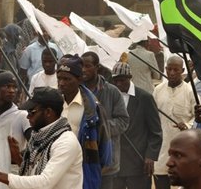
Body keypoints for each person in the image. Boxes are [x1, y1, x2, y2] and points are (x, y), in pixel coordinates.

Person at [0, 86, 83, 189]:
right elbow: (33, 173)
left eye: (32, 112)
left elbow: (45, 182)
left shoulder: (66, 142)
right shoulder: (39, 137)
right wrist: (18, 158)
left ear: (48, 112)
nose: (28, 116)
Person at [57, 54, 112, 189]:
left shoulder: (93, 109)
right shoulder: (52, 104)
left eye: (67, 79)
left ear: (79, 79)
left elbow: (105, 150)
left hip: (84, 174)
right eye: (59, 78)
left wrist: (92, 170)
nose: (61, 83)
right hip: (56, 171)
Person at [110, 56, 163, 189]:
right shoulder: (110, 97)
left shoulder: (145, 98)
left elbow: (156, 132)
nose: (118, 84)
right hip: (114, 164)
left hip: (139, 164)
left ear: (130, 77)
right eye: (115, 81)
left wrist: (151, 156)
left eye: (122, 81)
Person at [81, 51, 129, 189]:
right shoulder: (76, 91)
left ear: (97, 68)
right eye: (81, 66)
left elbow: (123, 121)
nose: (84, 70)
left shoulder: (112, 91)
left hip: (105, 162)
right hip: (82, 160)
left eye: (88, 66)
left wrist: (100, 128)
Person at [153, 55, 197, 189]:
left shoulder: (190, 91)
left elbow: (198, 117)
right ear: (165, 69)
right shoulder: (158, 90)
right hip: (161, 147)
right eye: (169, 69)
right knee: (160, 179)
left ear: (182, 70)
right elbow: (152, 116)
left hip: (182, 149)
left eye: (176, 70)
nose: (172, 73)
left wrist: (188, 125)